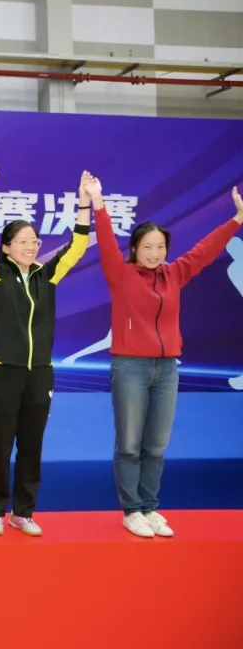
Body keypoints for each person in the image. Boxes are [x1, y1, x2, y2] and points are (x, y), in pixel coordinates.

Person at [91, 179, 243, 538]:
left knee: (156, 446)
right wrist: (98, 201)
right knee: (129, 444)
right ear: (134, 248)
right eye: (148, 247)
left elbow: (204, 251)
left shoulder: (174, 274)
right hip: (130, 367)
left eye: (160, 247)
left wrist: (237, 220)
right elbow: (107, 242)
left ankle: (149, 507)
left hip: (167, 368)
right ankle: (131, 511)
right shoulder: (121, 273)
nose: (155, 253)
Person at [0, 168, 92, 537]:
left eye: (35, 240)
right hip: (4, 370)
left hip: (40, 372)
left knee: (32, 443)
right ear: (6, 246)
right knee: (0, 442)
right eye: (22, 241)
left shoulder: (47, 275)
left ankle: (23, 512)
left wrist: (84, 203)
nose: (30, 246)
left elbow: (78, 246)